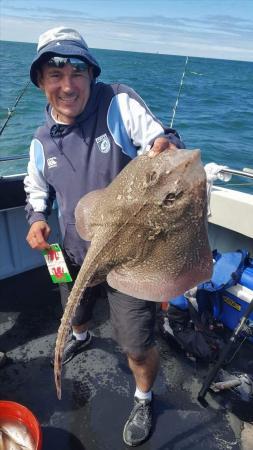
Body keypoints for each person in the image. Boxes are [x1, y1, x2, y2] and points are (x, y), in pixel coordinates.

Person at [24, 26, 185, 447]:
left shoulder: (117, 102)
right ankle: (80, 336)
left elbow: (160, 140)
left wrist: (165, 144)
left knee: (135, 343)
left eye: (76, 70)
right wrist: (36, 219)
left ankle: (144, 396)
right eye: (54, 72)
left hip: (129, 257)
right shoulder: (40, 140)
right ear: (41, 80)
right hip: (70, 250)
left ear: (91, 74)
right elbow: (36, 189)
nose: (67, 83)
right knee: (71, 307)